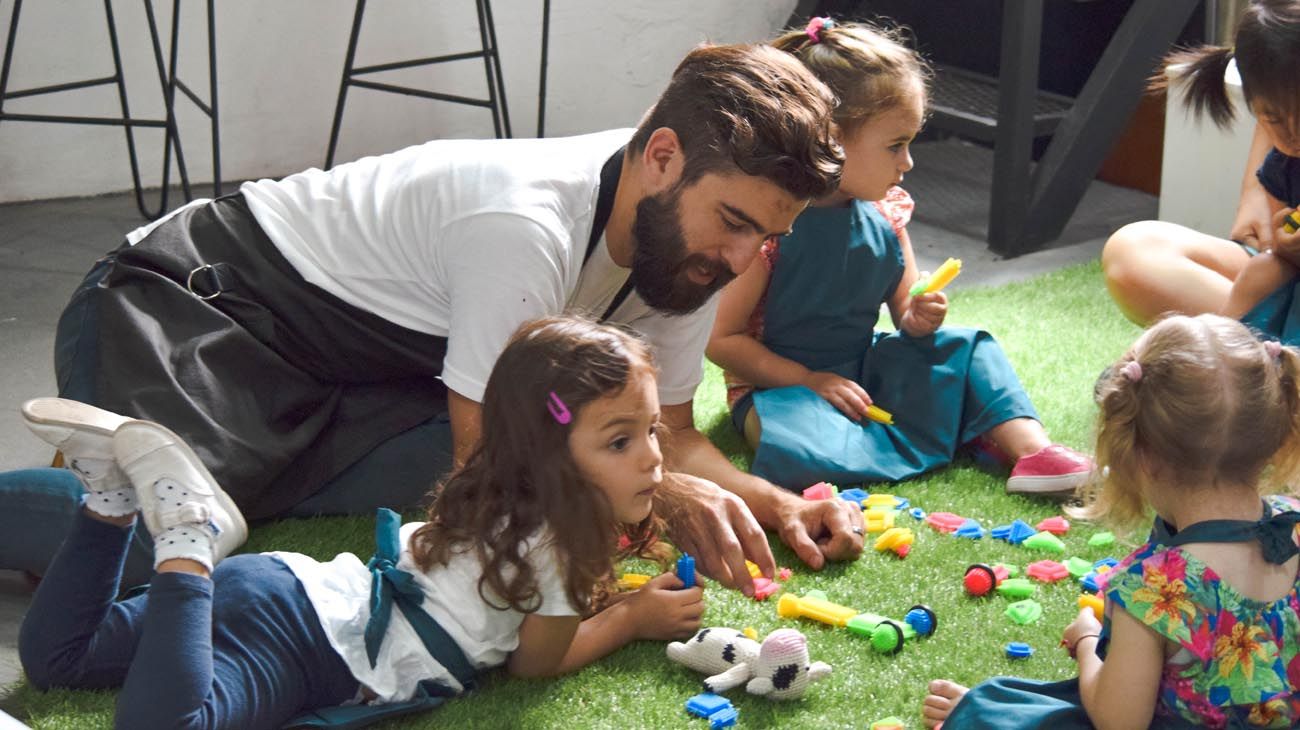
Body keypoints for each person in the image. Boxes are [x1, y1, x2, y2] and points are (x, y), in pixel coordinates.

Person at [1, 42, 864, 593]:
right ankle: (108, 475)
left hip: (364, 375)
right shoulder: (524, 222)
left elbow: (666, 431)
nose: (745, 260)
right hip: (190, 311)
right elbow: (484, 465)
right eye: (738, 224)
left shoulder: (694, 252)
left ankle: (185, 464)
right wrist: (661, 500)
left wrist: (772, 501)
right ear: (662, 157)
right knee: (163, 558)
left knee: (503, 481)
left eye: (769, 236)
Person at [19, 316, 707, 730]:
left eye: (650, 429)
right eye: (620, 441)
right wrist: (631, 619)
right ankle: (186, 540)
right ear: (549, 453)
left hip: (275, 581)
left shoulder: (496, 488)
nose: (653, 457)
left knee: (58, 662)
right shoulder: (554, 548)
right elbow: (537, 662)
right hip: (311, 646)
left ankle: (110, 503)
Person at [706, 19, 1092, 497]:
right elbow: (721, 340)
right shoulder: (771, 228)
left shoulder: (887, 214)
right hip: (780, 391)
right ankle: (960, 429)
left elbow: (905, 312)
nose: (907, 162)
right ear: (829, 139)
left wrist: (920, 314)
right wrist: (809, 380)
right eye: (895, 145)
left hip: (865, 371)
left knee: (966, 348)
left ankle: (1030, 451)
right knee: (796, 444)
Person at [922, 313, 1300, 729]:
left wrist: (1087, 641)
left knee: (1002, 709)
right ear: (1276, 433)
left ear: (1140, 455)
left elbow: (1118, 722)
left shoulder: (1156, 588)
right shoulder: (1294, 524)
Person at [1104, 0, 1300, 338]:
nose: (1294, 135)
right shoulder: (1282, 162)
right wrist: (1283, 241)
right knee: (1133, 253)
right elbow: (1277, 241)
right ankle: (1247, 356)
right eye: (1274, 120)